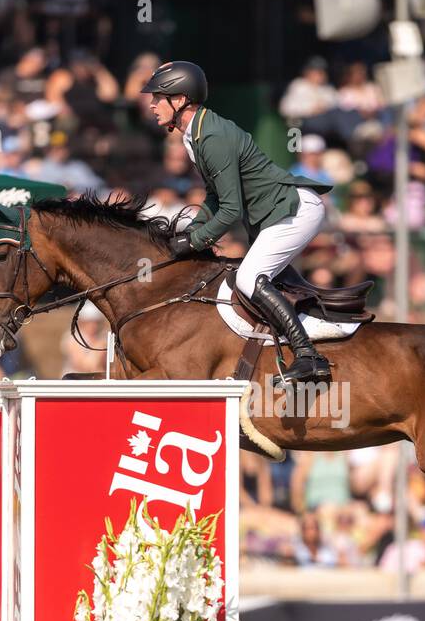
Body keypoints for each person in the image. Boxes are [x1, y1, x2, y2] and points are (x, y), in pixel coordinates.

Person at [142, 60, 333, 386]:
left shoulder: (212, 136)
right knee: (261, 280)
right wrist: (189, 232)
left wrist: (195, 241)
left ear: (181, 100)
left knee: (248, 278)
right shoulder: (196, 134)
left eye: (159, 96)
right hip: (277, 212)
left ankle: (309, 356)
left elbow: (230, 211)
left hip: (295, 209)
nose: (151, 103)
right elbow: (215, 198)